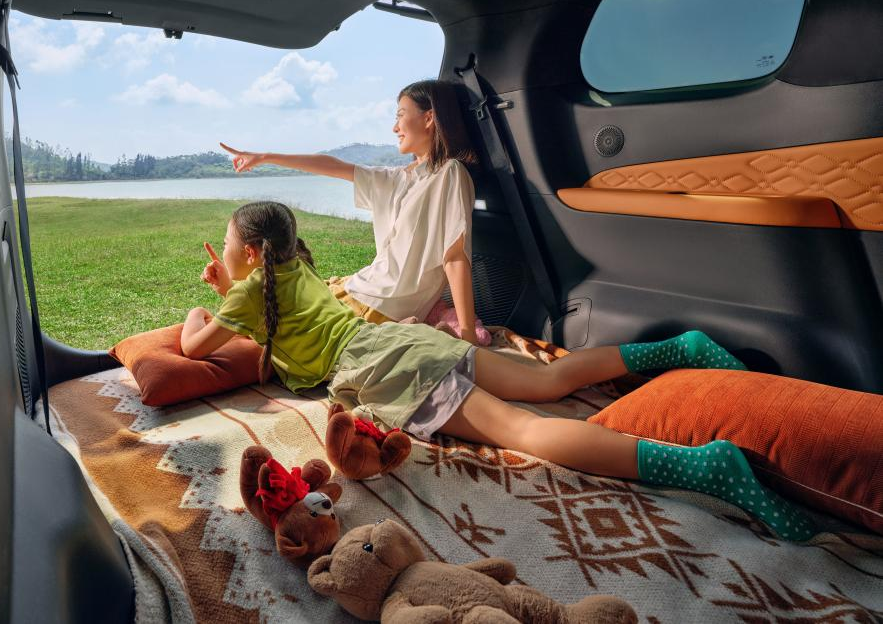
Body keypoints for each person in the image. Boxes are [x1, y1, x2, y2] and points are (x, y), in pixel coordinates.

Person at [181, 201, 815, 542]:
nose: (225, 255)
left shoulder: (249, 291)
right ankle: (677, 348)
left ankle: (706, 468)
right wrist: (232, 284)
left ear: (253, 253)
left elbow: (192, 345)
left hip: (382, 367)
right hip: (403, 340)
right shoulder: (296, 269)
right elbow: (269, 313)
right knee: (547, 382)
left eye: (229, 246)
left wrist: (207, 297)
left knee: (525, 431)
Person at [219, 79, 484, 344]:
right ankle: (235, 298)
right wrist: (266, 157)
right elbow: (335, 166)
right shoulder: (398, 178)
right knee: (273, 318)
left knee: (278, 335)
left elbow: (455, 258)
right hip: (359, 288)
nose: (395, 128)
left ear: (429, 118)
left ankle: (234, 303)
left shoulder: (449, 173)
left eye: (400, 115)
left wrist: (467, 333)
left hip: (379, 306)